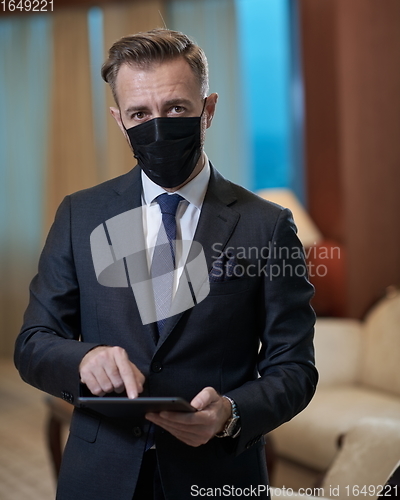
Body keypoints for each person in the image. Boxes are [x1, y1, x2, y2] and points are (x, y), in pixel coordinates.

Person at [14, 29, 318, 500]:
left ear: (208, 109)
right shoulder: (80, 215)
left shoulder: (269, 225)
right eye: (140, 113)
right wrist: (85, 358)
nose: (158, 125)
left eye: (176, 108)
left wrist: (231, 413)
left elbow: (294, 367)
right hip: (99, 476)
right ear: (119, 120)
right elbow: (33, 343)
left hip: (217, 475)